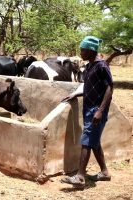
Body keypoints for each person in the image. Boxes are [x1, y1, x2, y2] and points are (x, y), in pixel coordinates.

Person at [61, 36, 113, 188]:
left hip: (96, 110)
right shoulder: (90, 66)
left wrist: (100, 111)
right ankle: (104, 172)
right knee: (94, 142)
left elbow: (109, 88)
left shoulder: (102, 66)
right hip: (88, 108)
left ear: (91, 50)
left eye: (83, 50)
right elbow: (90, 86)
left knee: (87, 141)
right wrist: (76, 94)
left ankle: (80, 177)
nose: (80, 53)